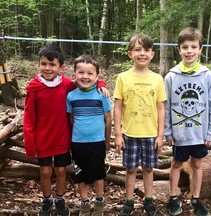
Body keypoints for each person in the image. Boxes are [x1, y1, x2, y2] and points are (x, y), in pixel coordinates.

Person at [24, 44, 108, 216]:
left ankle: (60, 200)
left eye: (52, 64)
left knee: (61, 170)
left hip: (63, 137)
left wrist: (101, 83)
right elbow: (29, 116)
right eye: (44, 64)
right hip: (43, 138)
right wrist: (30, 141)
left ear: (61, 67)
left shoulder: (66, 85)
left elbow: (86, 81)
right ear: (38, 65)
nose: (48, 68)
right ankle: (47, 200)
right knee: (46, 171)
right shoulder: (34, 88)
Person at [165, 27, 211, 216]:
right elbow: (166, 105)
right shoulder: (171, 76)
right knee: (177, 164)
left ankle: (196, 199)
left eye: (193, 46)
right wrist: (168, 131)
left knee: (197, 164)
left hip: (199, 133)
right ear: (179, 49)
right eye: (185, 47)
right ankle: (173, 197)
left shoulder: (207, 76)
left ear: (200, 49)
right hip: (180, 134)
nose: (189, 51)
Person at [113, 33, 166, 216]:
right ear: (130, 54)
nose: (142, 53)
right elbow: (118, 107)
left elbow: (161, 109)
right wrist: (118, 134)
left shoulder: (157, 79)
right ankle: (128, 202)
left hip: (151, 133)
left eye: (146, 50)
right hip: (130, 134)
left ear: (152, 54)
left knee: (149, 168)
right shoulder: (123, 78)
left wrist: (160, 135)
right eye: (137, 49)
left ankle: (148, 201)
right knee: (130, 169)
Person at [66, 55, 112, 216]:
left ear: (97, 77)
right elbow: (71, 118)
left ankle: (99, 201)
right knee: (81, 173)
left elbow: (108, 118)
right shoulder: (71, 96)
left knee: (98, 173)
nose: (85, 77)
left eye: (90, 73)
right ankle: (85, 202)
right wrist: (79, 134)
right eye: (81, 72)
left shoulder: (102, 95)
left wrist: (107, 141)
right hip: (78, 143)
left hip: (97, 142)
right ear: (74, 74)